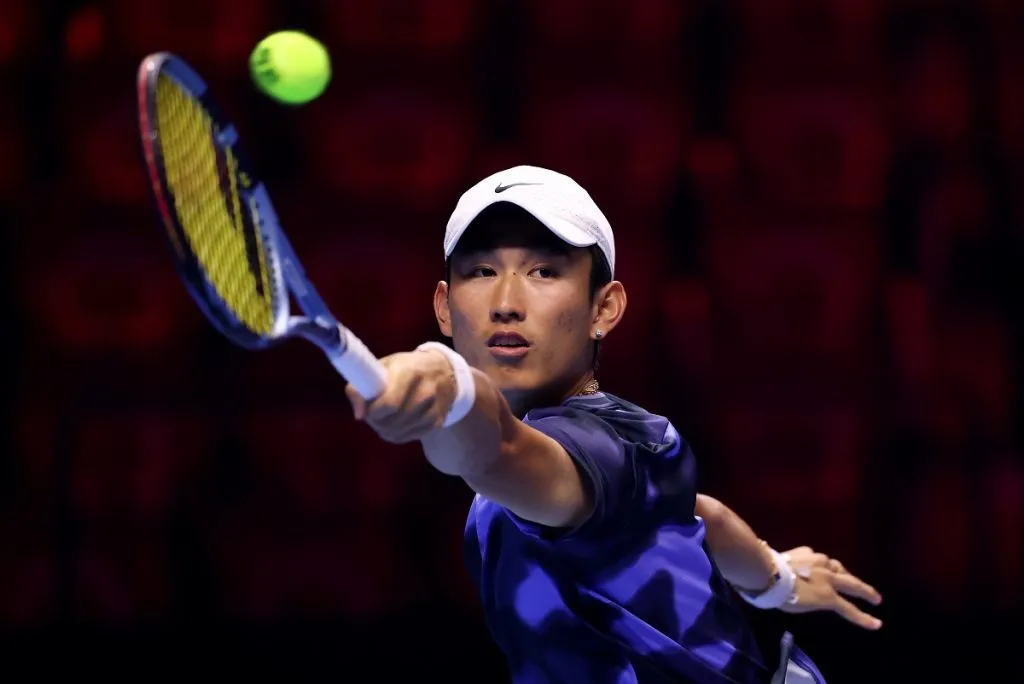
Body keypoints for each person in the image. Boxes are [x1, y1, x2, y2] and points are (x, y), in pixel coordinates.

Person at [345, 166, 883, 683]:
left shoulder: (593, 449)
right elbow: (703, 518)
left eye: (544, 272)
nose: (506, 303)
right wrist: (775, 577)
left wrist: (445, 381)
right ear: (444, 307)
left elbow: (495, 451)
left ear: (605, 308)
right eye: (482, 272)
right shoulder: (640, 438)